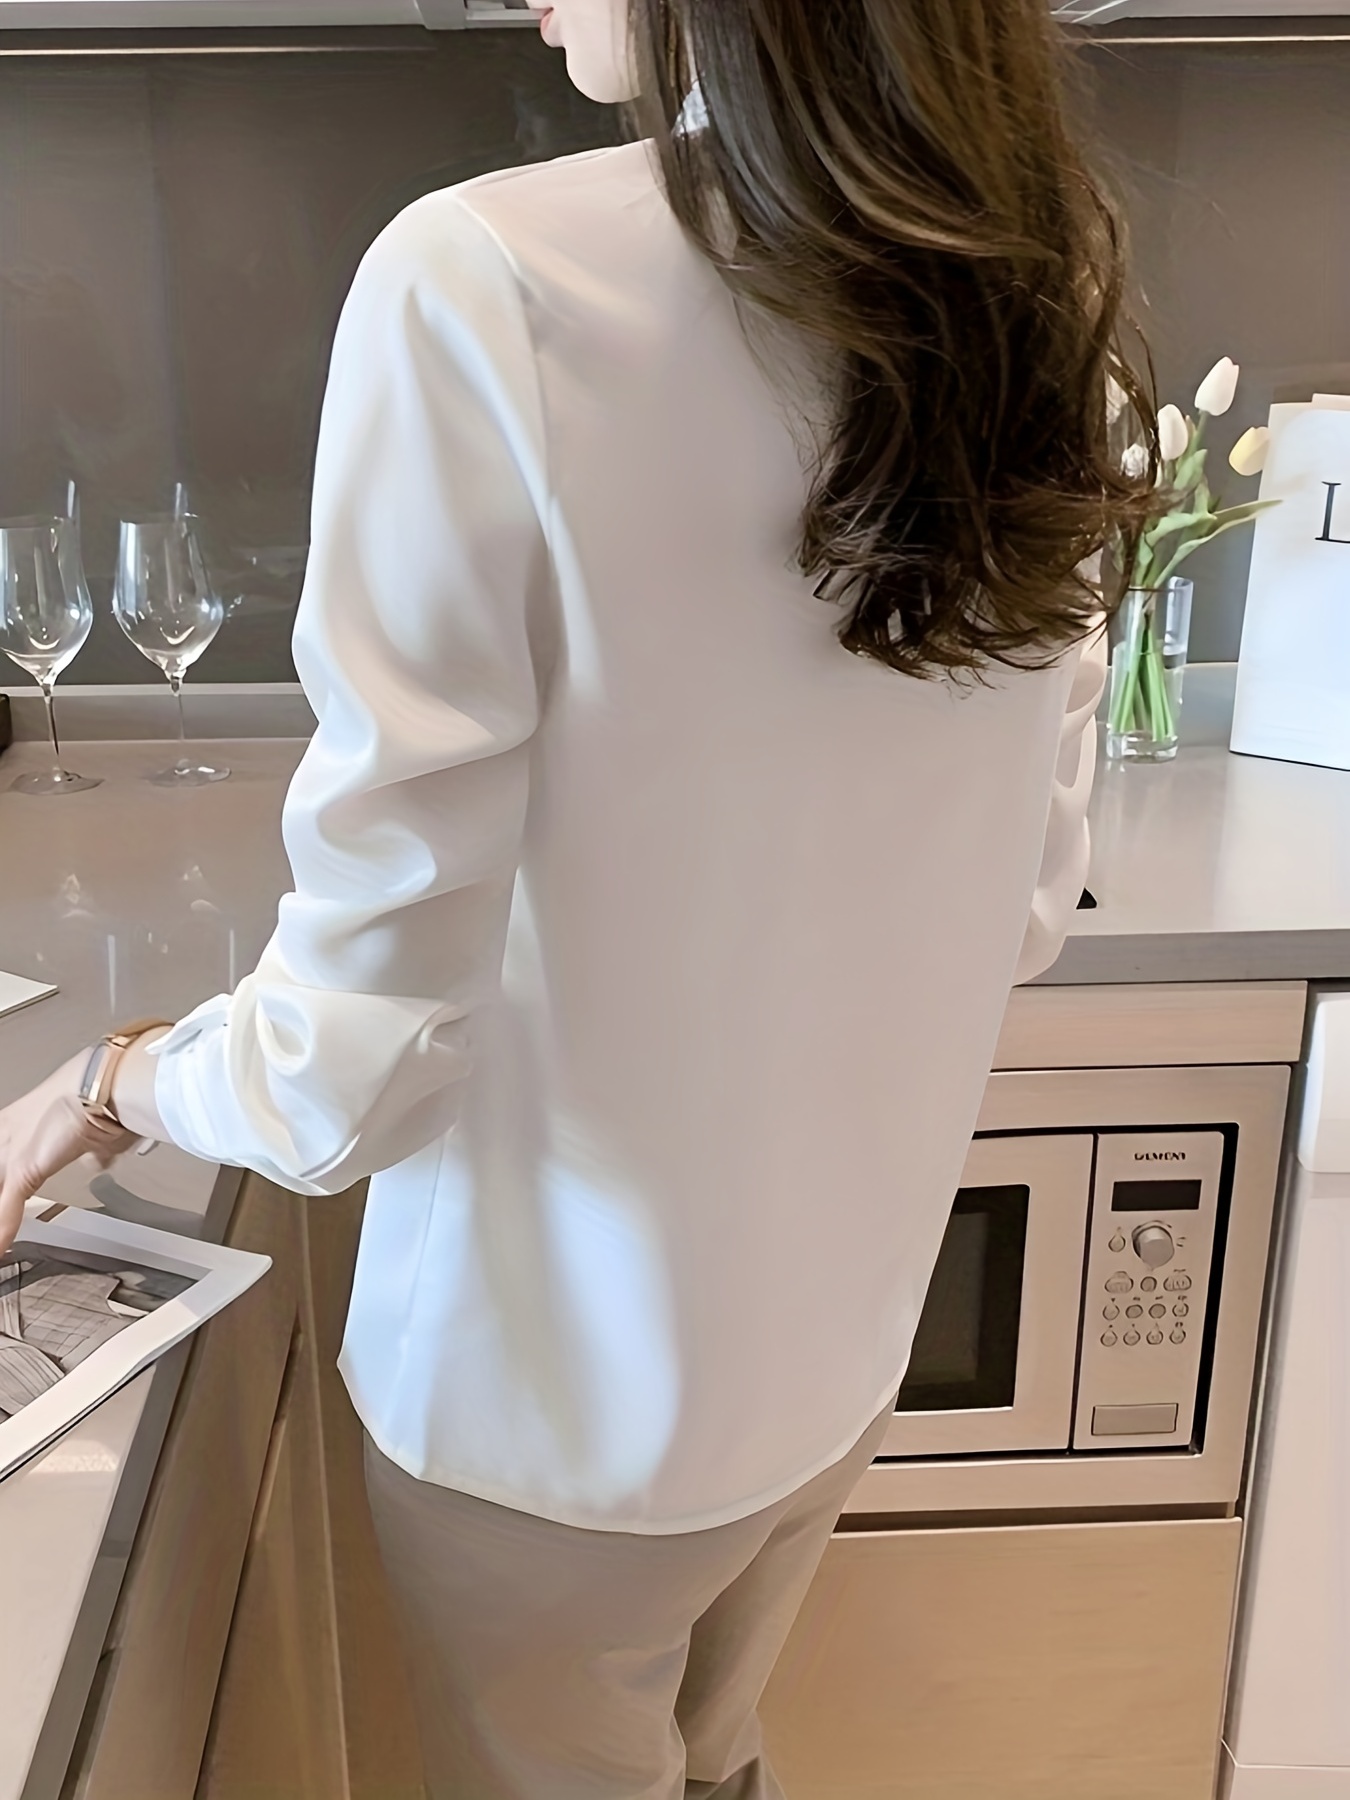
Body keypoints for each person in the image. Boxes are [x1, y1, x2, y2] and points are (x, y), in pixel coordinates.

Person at [0, 0, 1157, 1793]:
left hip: (547, 1415)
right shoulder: (1037, 279)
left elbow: (348, 1069)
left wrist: (111, 1079)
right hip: (830, 1360)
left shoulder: (486, 278)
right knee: (715, 1759)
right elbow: (1024, 905)